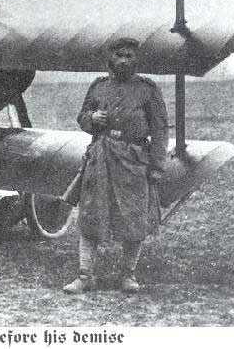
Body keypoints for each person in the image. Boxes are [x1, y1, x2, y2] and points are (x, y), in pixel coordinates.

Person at [63, 37, 168, 294]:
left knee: (133, 217)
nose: (123, 60)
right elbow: (82, 117)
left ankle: (128, 275)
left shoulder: (147, 89)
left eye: (129, 56)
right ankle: (85, 275)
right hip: (101, 157)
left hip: (133, 161)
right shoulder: (98, 87)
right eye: (119, 55)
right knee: (90, 212)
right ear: (110, 59)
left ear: (136, 60)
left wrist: (156, 166)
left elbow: (160, 129)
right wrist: (92, 118)